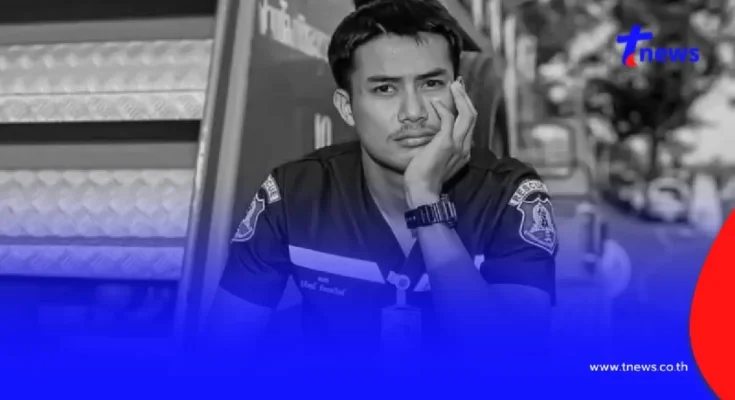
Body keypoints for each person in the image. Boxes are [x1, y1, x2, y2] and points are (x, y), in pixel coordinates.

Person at [204, 0, 558, 380]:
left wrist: (425, 201)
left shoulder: (510, 195)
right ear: (347, 107)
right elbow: (217, 356)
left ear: (460, 94)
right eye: (385, 88)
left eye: (431, 84)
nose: (414, 112)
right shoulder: (294, 193)